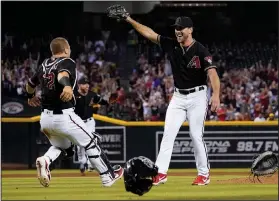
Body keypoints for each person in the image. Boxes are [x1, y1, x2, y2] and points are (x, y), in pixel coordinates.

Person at [112, 11, 220, 185]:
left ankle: (204, 174)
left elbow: (213, 73)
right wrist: (129, 19)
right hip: (178, 97)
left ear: (190, 29)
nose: (177, 31)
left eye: (181, 28)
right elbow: (149, 33)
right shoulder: (171, 44)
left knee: (195, 135)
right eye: (176, 28)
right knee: (168, 134)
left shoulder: (201, 50)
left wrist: (215, 94)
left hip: (198, 96)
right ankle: (160, 172)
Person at [25, 37, 123, 187]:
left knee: (62, 147)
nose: (69, 49)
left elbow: (31, 84)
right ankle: (108, 176)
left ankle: (45, 160)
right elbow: (62, 75)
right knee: (92, 142)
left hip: (45, 119)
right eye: (68, 47)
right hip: (63, 116)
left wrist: (30, 96)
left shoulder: (44, 64)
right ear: (65, 49)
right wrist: (67, 86)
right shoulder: (67, 61)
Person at [74, 77, 115, 175]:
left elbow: (101, 101)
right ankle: (82, 162)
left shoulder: (92, 94)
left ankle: (90, 163)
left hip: (89, 121)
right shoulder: (73, 95)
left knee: (91, 140)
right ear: (79, 85)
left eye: (88, 84)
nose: (87, 85)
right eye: (85, 84)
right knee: (80, 145)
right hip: (78, 122)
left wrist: (108, 101)